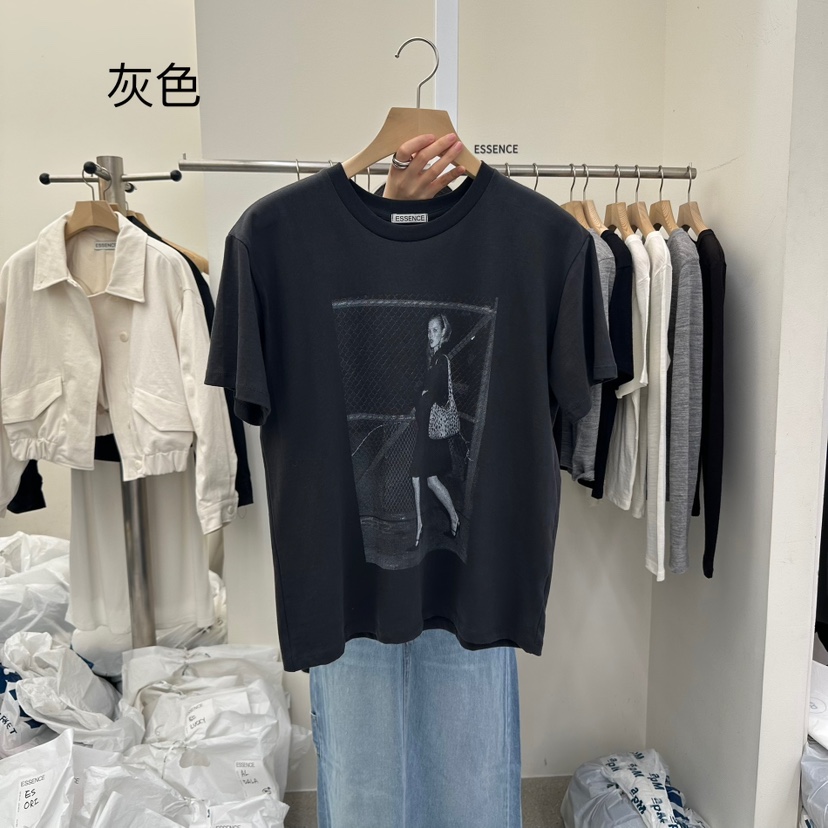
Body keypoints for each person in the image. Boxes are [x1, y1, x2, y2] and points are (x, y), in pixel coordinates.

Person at [409, 313, 460, 548]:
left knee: (424, 478)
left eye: (435, 330)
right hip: (427, 429)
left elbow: (433, 394)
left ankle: (435, 523)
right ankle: (443, 521)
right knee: (424, 478)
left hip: (432, 430)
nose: (430, 335)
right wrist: (421, 395)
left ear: (444, 333)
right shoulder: (433, 360)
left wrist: (422, 394)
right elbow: (424, 393)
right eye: (428, 331)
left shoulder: (441, 361)